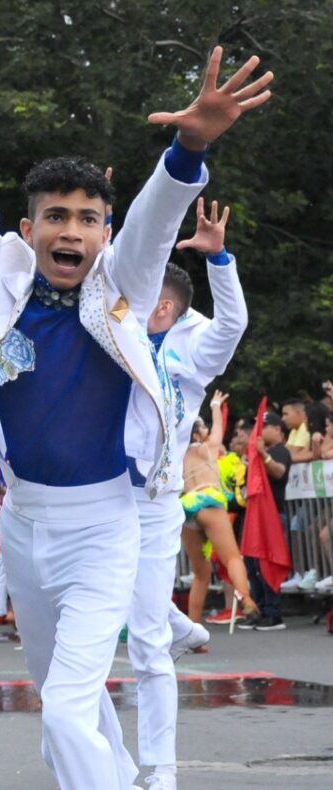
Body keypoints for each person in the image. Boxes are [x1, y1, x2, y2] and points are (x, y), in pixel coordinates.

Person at [0, 0, 272, 790]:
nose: (71, 230)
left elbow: (156, 216)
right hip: (24, 526)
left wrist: (190, 145)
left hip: (105, 527)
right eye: (56, 216)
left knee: (65, 711)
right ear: (30, 228)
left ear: (104, 232)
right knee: (62, 707)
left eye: (88, 217)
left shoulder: (125, 283)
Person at [123, 197, 247, 790]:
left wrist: (219, 258)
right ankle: (176, 622)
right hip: (98, 492)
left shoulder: (193, 347)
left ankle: (162, 768)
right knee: (101, 601)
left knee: (144, 642)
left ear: (165, 306)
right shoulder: (119, 325)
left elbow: (233, 326)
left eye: (140, 295)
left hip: (154, 499)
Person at [180, 394, 261, 625]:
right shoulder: (207, 448)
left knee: (200, 574)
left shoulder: (177, 455)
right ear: (196, 434)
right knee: (232, 557)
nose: (207, 430)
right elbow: (219, 427)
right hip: (209, 501)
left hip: (186, 508)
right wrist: (215, 405)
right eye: (202, 427)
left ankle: (194, 629)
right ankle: (245, 597)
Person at [242, 411, 292, 629]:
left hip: (273, 516)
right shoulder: (260, 453)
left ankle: (274, 613)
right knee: (252, 563)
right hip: (256, 516)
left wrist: (263, 455)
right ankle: (261, 609)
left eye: (264, 427)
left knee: (267, 563)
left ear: (277, 429)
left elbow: (279, 472)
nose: (260, 432)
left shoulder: (281, 451)